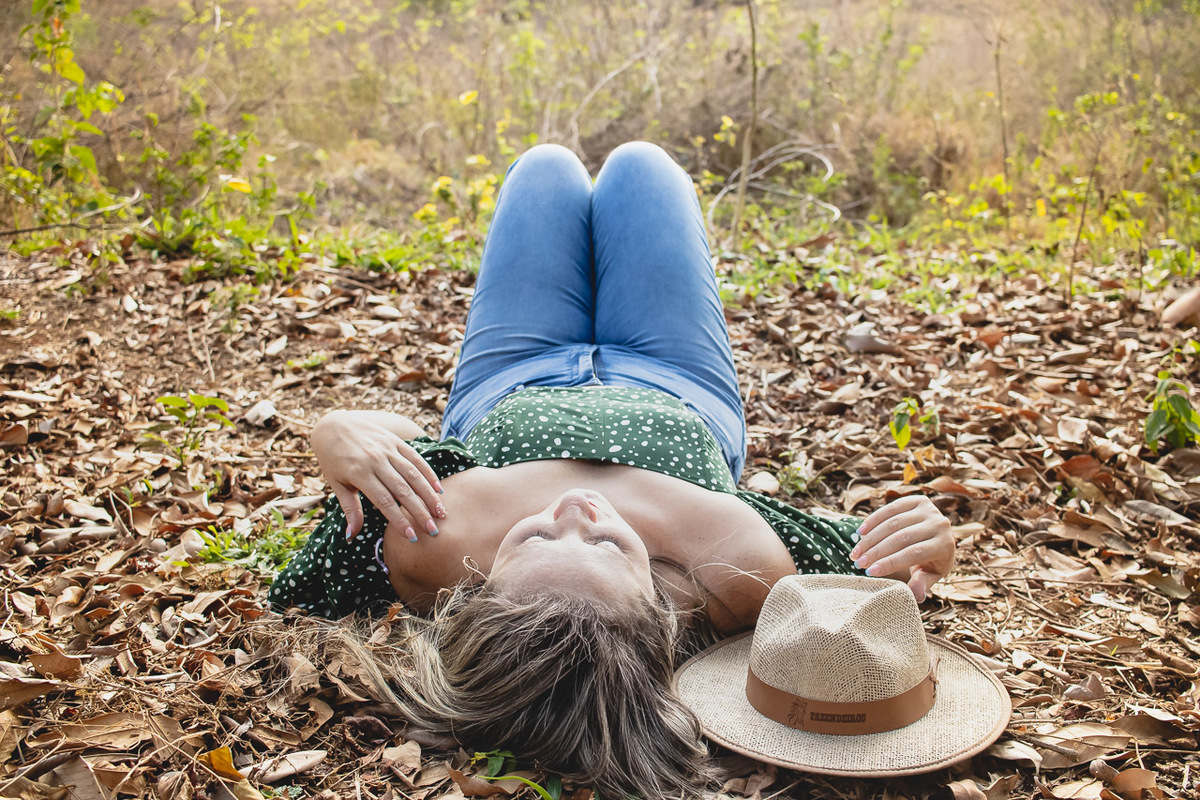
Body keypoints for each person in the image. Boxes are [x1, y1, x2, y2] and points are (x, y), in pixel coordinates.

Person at [268, 142, 956, 798]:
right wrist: (933, 541)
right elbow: (884, 554)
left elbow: (389, 451)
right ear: (658, 611)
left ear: (477, 593)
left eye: (534, 540)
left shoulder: (422, 543)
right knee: (641, 167)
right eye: (606, 545)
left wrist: (336, 433)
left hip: (513, 372)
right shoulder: (743, 575)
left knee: (544, 169)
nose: (574, 514)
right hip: (678, 377)